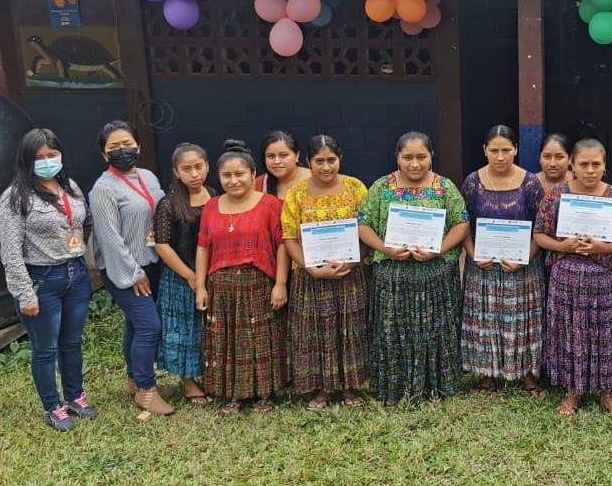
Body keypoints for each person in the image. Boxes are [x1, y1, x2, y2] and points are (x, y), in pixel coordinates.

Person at [358, 132, 470, 404]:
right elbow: (363, 223)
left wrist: (439, 249)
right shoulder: (382, 187)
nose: (415, 164)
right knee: (392, 330)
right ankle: (395, 386)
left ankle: (438, 385)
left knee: (435, 330)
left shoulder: (444, 187)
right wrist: (385, 249)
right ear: (397, 157)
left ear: (431, 157)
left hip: (436, 275)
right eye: (407, 157)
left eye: (421, 156)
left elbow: (462, 223)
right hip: (392, 275)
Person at [0, 128, 97, 431]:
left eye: (51, 155)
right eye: (38, 157)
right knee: (45, 348)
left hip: (76, 274)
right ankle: (53, 405)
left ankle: (75, 395)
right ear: (26, 161)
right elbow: (11, 252)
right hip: (42, 279)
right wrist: (25, 294)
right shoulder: (14, 198)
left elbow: (85, 223)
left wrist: (78, 255)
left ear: (60, 155)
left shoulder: (71, 187)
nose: (46, 161)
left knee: (72, 342)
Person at [534, 138, 612, 419]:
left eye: (596, 164)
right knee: (571, 334)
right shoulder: (557, 195)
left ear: (604, 166)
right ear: (572, 165)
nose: (590, 170)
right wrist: (563, 246)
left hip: (606, 279)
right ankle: (572, 390)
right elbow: (539, 234)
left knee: (607, 335)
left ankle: (608, 393)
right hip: (566, 276)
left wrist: (606, 248)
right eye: (583, 164)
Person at [195, 140, 289, 416]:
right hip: (221, 286)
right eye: (227, 175)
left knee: (260, 338)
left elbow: (283, 244)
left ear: (252, 174)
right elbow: (203, 247)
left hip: (258, 282)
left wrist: (281, 283)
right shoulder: (211, 207)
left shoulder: (270, 205)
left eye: (240, 174)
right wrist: (200, 286)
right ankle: (232, 394)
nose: (234, 181)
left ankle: (264, 393)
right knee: (227, 340)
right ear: (219, 176)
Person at [282, 135, 369, 410]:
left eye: (331, 160)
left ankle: (351, 388)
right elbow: (289, 237)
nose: (326, 167)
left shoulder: (356, 188)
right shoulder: (296, 193)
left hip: (350, 275)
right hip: (311, 279)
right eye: (319, 161)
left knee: (350, 331)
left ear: (340, 158)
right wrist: (312, 268)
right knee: (315, 333)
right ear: (308, 162)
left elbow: (368, 231)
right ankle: (321, 390)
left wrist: (354, 262)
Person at [89, 120, 170, 416]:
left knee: (136, 324)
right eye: (114, 147)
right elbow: (109, 238)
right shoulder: (103, 189)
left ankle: (133, 380)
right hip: (125, 269)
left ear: (138, 146)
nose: (122, 150)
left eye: (127, 144)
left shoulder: (147, 176)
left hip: (153, 263)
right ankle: (147, 391)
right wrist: (133, 273)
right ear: (104, 154)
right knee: (150, 326)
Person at [460, 125, 546, 396]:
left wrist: (526, 258)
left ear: (516, 150)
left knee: (523, 320)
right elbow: (463, 223)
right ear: (485, 150)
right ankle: (487, 373)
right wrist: (473, 256)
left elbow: (541, 227)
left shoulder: (530, 183)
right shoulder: (473, 182)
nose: (500, 156)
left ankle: (527, 374)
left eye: (506, 150)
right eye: (494, 150)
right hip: (483, 267)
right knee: (485, 319)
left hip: (522, 268)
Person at [154, 142, 213, 406]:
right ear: (177, 172)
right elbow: (162, 244)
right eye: (187, 169)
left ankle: (208, 374)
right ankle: (189, 382)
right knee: (184, 330)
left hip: (211, 270)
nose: (194, 173)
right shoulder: (168, 204)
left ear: (207, 167)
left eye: (198, 167)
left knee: (207, 328)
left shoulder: (214, 195)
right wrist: (190, 275)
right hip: (181, 273)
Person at [255, 130, 311, 201]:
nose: (277, 161)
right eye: (271, 156)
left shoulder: (315, 180)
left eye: (283, 155)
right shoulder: (259, 184)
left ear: (297, 156)